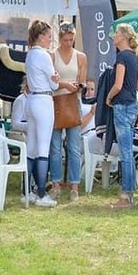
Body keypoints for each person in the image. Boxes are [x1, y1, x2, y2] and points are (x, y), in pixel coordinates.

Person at [49, 22, 87, 203]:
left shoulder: (80, 57)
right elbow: (50, 82)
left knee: (74, 147)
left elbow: (83, 82)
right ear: (59, 39)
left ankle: (74, 186)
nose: (69, 43)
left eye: (71, 40)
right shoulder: (51, 56)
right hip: (56, 102)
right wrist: (64, 84)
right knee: (55, 148)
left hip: (73, 102)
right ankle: (56, 184)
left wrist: (78, 87)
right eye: (65, 40)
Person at [24, 20, 61, 207]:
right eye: (48, 36)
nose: (50, 39)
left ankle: (27, 191)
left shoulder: (30, 55)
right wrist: (56, 79)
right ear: (40, 37)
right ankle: (41, 193)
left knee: (31, 147)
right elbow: (54, 83)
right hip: (44, 100)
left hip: (31, 101)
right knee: (43, 148)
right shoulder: (44, 55)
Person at [105, 23, 138, 208]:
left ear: (124, 37)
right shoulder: (134, 57)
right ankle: (130, 193)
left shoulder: (121, 57)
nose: (113, 36)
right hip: (132, 105)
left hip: (121, 105)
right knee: (128, 151)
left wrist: (108, 97)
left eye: (116, 33)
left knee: (125, 152)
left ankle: (126, 196)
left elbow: (118, 84)